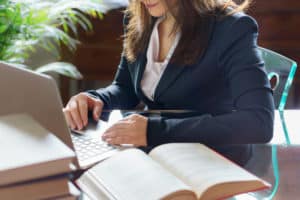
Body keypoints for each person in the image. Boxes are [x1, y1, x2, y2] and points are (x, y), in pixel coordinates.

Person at [63, 0, 274, 162]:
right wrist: (96, 99)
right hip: (155, 155)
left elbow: (259, 123)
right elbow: (125, 88)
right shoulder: (140, 19)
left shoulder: (231, 29)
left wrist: (154, 131)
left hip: (212, 160)